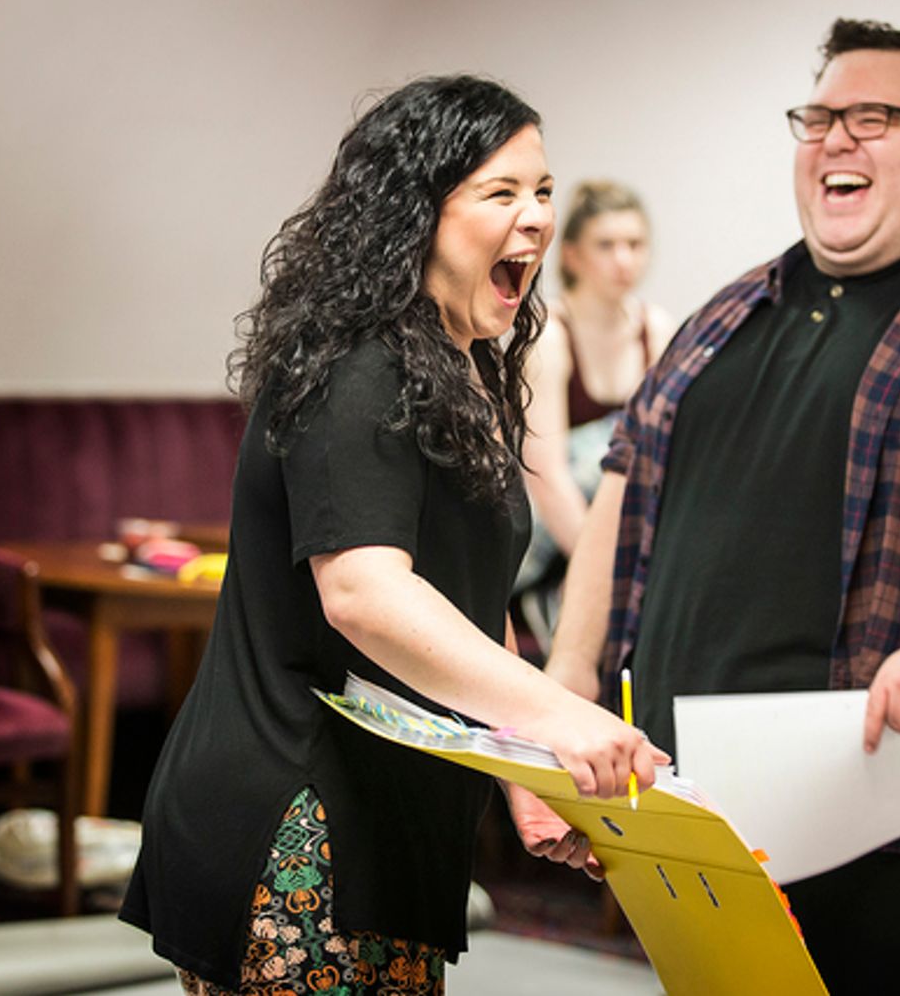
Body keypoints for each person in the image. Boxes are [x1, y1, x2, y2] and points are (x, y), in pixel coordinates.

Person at [532, 19, 900, 995]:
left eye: (871, 117)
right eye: (815, 118)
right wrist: (566, 689)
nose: (832, 140)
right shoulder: (722, 317)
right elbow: (625, 486)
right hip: (702, 822)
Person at [118, 75, 664, 996]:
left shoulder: (458, 368)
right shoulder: (358, 362)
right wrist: (560, 712)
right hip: (299, 819)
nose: (534, 217)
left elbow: (459, 602)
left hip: (379, 817)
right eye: (501, 193)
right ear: (415, 211)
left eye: (541, 190)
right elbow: (367, 594)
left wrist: (520, 766)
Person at [515, 181, 675, 634]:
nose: (623, 259)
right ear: (572, 255)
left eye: (635, 244)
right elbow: (545, 477)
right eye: (606, 245)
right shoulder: (548, 338)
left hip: (624, 531)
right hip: (549, 547)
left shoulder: (657, 329)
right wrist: (604, 574)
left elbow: (661, 460)